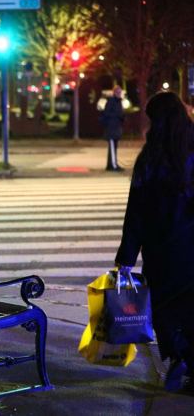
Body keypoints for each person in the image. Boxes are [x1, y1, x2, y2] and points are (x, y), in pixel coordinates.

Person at [116, 91, 194, 394]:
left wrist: (126, 255)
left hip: (162, 253)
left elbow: (136, 213)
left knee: (161, 311)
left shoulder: (150, 159)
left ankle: (179, 355)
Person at [101, 85, 126, 171]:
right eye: (117, 92)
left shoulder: (118, 102)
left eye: (120, 92)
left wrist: (122, 118)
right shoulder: (111, 101)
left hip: (116, 127)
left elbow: (120, 114)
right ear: (114, 93)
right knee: (112, 147)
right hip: (111, 128)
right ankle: (113, 165)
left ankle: (110, 165)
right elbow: (106, 113)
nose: (119, 94)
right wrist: (117, 116)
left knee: (113, 148)